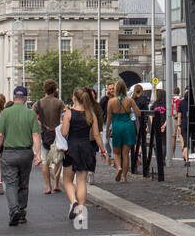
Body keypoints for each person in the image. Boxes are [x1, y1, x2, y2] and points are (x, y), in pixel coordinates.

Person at [0, 86, 43, 226]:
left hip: (9, 152)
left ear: (13, 97)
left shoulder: (6, 113)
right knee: (24, 184)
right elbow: (36, 135)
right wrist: (38, 154)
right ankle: (21, 212)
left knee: (11, 183)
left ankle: (14, 210)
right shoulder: (31, 114)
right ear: (26, 98)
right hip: (26, 153)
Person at [60, 87, 106, 224]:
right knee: (81, 181)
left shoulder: (69, 113)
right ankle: (81, 212)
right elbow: (97, 135)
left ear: (74, 98)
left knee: (67, 180)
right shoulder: (90, 113)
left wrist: (64, 122)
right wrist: (103, 151)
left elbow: (64, 132)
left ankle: (73, 201)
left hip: (72, 148)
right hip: (86, 148)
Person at [34, 80, 65, 195]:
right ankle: (56, 183)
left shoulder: (38, 104)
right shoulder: (59, 103)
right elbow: (65, 117)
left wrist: (41, 125)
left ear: (44, 89)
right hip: (57, 134)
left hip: (44, 134)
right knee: (58, 161)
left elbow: (33, 118)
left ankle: (48, 187)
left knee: (44, 161)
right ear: (55, 89)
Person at [106, 79, 140, 183]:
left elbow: (109, 117)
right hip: (128, 126)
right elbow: (138, 113)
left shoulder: (111, 101)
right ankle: (124, 177)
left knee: (116, 153)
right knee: (126, 154)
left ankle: (119, 167)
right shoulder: (130, 100)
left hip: (117, 126)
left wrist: (107, 130)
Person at [149, 90, 167, 182]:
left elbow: (150, 116)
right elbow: (169, 115)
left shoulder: (154, 105)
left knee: (156, 143)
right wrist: (164, 125)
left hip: (156, 126)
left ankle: (159, 158)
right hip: (164, 126)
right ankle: (163, 158)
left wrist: (154, 125)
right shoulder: (166, 105)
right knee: (164, 143)